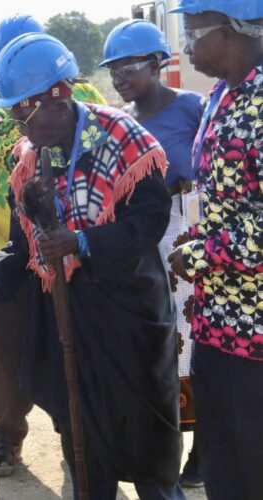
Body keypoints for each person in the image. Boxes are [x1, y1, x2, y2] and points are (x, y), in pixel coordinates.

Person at [0, 32, 185, 499]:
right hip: (68, 321)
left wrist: (84, 241)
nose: (16, 122)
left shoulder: (126, 141)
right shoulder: (29, 158)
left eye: (21, 110)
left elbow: (149, 221)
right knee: (84, 446)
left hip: (129, 320)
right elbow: (21, 243)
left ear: (59, 96)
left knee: (146, 442)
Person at [0, 13, 106, 478]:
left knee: (74, 350)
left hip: (75, 253)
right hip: (13, 254)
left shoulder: (88, 99)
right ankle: (6, 438)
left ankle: (72, 434)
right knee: (5, 353)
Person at [100, 19, 205, 489]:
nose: (121, 78)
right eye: (114, 71)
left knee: (197, 344)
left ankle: (204, 453)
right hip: (146, 248)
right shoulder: (121, 123)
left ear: (158, 64)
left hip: (191, 242)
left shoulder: (192, 109)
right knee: (159, 348)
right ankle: (164, 455)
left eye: (130, 67)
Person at [167, 1, 263, 499]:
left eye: (193, 33)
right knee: (224, 462)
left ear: (231, 33)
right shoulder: (223, 97)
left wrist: (203, 255)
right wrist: (201, 241)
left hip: (254, 333)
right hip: (217, 320)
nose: (185, 47)